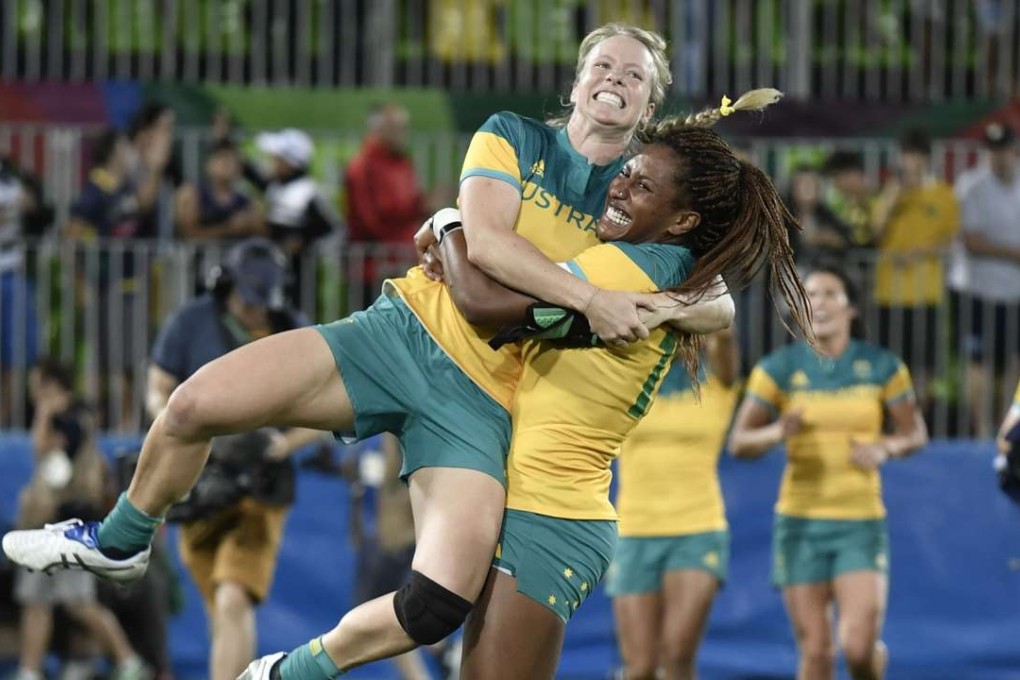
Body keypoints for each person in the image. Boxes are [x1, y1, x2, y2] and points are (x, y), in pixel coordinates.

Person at [2, 23, 733, 680]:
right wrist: (583, 294)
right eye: (603, 63)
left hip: (485, 403)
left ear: (649, 107)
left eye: (635, 75)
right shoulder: (511, 134)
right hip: (401, 333)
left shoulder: (636, 203)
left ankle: (294, 670)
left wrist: (658, 302)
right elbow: (486, 248)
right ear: (576, 82)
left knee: (441, 599)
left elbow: (719, 300)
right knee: (193, 404)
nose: (615, 78)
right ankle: (124, 539)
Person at [449, 107, 811, 680]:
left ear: (682, 220)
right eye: (626, 171)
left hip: (550, 512)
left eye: (642, 184)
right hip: (554, 509)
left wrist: (452, 221)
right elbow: (716, 300)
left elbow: (481, 300)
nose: (618, 184)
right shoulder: (665, 269)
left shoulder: (627, 267)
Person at [729, 264, 929, 680]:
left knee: (856, 649)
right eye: (809, 294)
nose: (818, 303)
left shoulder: (882, 366)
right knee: (817, 653)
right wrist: (776, 432)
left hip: (860, 522)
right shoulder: (777, 368)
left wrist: (884, 448)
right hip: (800, 523)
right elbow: (739, 443)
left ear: (850, 308)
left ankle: (872, 661)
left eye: (829, 294)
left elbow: (914, 435)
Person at [145, 238, 326, 680]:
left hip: (260, 488)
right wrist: (187, 426)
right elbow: (157, 389)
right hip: (201, 480)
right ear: (225, 286)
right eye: (249, 301)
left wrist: (282, 446)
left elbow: (326, 406)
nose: (256, 312)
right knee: (220, 609)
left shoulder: (291, 327)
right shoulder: (191, 322)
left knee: (232, 599)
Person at [607, 326, 740, 680]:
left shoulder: (718, 383)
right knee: (640, 668)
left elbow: (726, 334)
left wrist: (703, 288)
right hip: (634, 533)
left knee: (678, 654)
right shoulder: (630, 381)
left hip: (697, 530)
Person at [12, 358, 149, 680]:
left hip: (69, 526)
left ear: (50, 383)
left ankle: (128, 661)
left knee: (79, 603)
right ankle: (30, 670)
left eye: (37, 383)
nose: (32, 391)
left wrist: (45, 415)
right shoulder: (73, 415)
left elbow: (44, 451)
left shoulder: (70, 418)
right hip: (46, 526)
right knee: (36, 601)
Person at [872, 127, 960, 406]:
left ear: (926, 159)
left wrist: (919, 252)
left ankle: (917, 420)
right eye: (906, 156)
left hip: (926, 293)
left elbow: (951, 241)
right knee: (889, 363)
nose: (909, 162)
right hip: (888, 293)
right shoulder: (889, 193)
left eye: (915, 156)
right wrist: (892, 196)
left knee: (923, 367)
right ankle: (891, 421)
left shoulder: (944, 195)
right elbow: (875, 233)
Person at [954, 123, 1020, 437]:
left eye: (1004, 149)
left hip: (1016, 291)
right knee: (978, 360)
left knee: (1014, 359)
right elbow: (971, 241)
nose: (999, 157)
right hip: (979, 288)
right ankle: (980, 430)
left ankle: (1008, 426)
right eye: (993, 151)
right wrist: (1013, 254)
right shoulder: (971, 185)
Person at [345, 103, 437, 309]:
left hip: (401, 263)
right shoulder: (362, 166)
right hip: (373, 268)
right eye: (397, 128)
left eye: (404, 128)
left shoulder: (402, 163)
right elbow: (368, 221)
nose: (403, 134)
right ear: (378, 130)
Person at [174, 138, 262, 241]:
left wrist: (251, 225)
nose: (229, 165)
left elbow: (263, 237)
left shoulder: (247, 203)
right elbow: (187, 236)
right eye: (223, 159)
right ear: (209, 164)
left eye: (234, 161)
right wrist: (228, 228)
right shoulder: (190, 194)